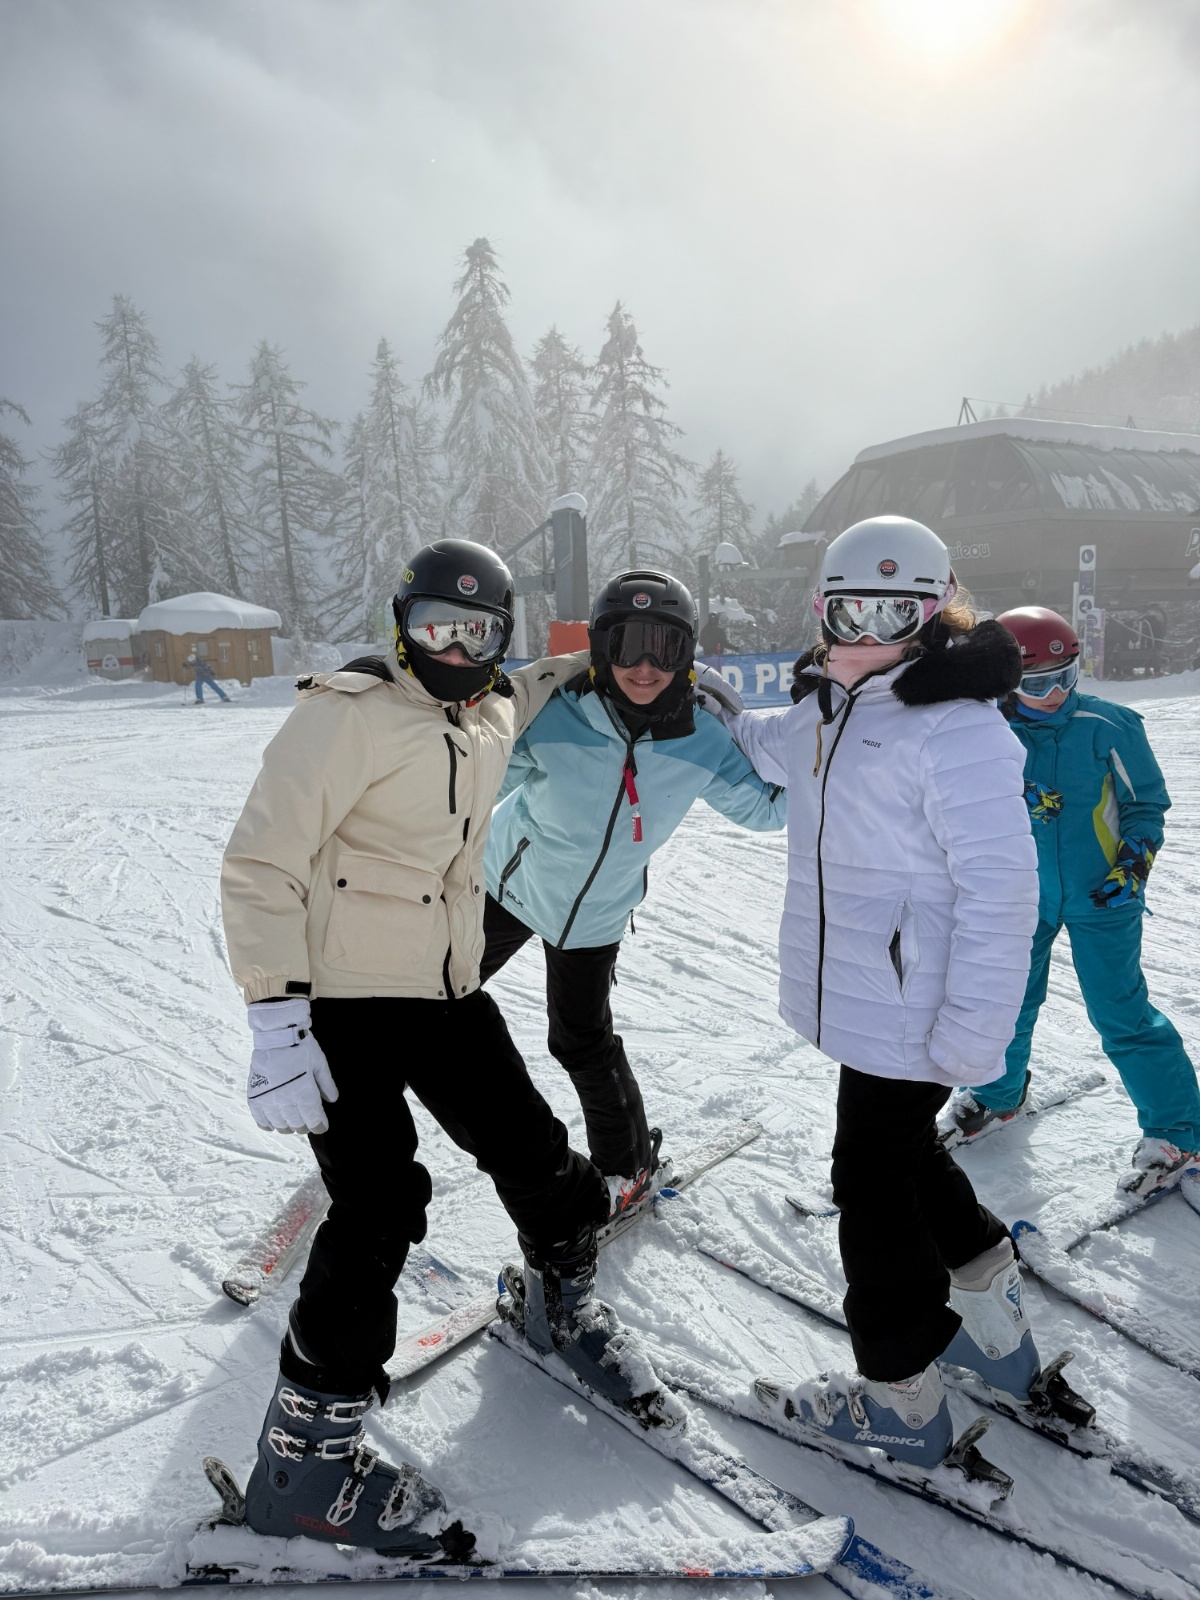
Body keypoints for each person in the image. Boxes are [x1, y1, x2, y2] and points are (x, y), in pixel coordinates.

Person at [219, 540, 668, 1558]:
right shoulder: (345, 715)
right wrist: (276, 1016)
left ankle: (559, 1301)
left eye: (479, 633)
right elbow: (259, 864)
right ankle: (305, 1467)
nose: (456, 651)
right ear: (401, 625)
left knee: (538, 1154)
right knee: (379, 1202)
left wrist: (608, 658)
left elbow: (538, 682)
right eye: (436, 627)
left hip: (445, 990)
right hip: (340, 1003)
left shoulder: (494, 704)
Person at [701, 516, 1062, 1470]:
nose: (871, 630)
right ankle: (995, 1333)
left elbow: (1002, 890)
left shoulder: (957, 726)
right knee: (905, 1157)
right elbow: (769, 743)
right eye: (853, 610)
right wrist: (714, 709)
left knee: (869, 1179)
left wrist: (975, 1031)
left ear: (934, 615)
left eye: (897, 614)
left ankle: (900, 1394)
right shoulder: (831, 707)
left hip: (918, 1008)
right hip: (878, 1001)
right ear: (823, 611)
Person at [481, 569, 787, 1216]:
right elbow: (474, 784)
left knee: (580, 1042)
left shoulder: (701, 738)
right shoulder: (556, 713)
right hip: (508, 883)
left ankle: (627, 1168)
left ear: (687, 655)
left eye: (665, 648)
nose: (645, 667)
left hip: (596, 913)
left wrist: (824, 737)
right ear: (600, 647)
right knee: (433, 996)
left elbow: (765, 810)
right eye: (627, 646)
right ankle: (368, 1093)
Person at [941, 607, 1200, 1193]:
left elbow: (1145, 805)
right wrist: (1015, 791)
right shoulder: (985, 729)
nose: (1054, 694)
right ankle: (997, 1095)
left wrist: (1133, 865)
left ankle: (1177, 1131)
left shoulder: (1109, 725)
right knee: (1004, 1002)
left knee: (1122, 1013)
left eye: (1065, 677)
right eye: (1036, 685)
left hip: (1102, 896)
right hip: (1019, 896)